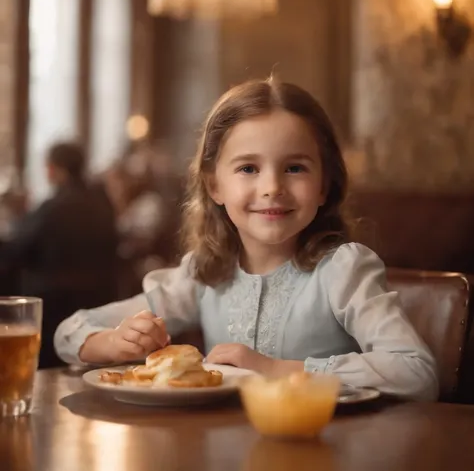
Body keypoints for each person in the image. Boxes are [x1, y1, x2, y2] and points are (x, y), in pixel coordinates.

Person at [54, 80, 438, 400]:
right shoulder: (204, 274)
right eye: (248, 168)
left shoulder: (343, 270)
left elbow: (416, 372)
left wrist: (275, 369)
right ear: (214, 184)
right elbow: (69, 331)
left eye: (294, 168)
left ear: (325, 185)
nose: (271, 187)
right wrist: (114, 342)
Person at [2, 142, 118, 368]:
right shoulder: (102, 202)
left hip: (55, 309)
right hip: (99, 303)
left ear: (55, 169)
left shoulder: (54, 207)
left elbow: (17, 249)